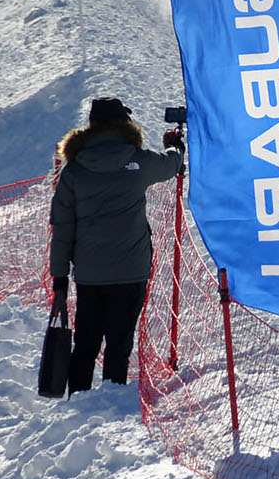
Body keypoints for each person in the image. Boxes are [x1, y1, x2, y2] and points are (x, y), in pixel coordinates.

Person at [48, 97, 183, 392]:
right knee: (119, 343)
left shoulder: (73, 170)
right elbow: (173, 164)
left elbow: (61, 228)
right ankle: (111, 397)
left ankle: (79, 400)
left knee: (85, 343)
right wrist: (175, 145)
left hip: (89, 274)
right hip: (131, 271)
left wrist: (59, 277)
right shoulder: (138, 160)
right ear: (124, 124)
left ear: (91, 126)